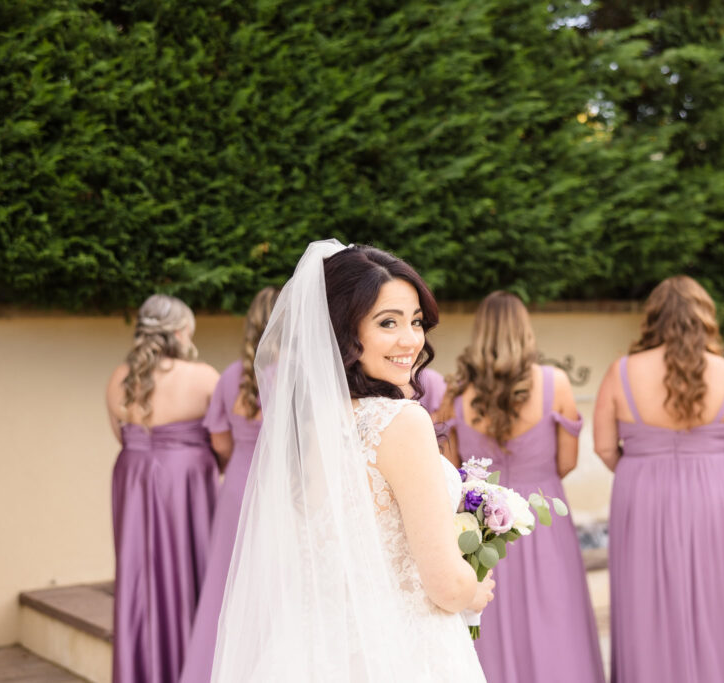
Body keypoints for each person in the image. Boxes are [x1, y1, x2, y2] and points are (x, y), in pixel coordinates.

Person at [211, 241, 493, 681]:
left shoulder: (306, 423)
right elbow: (444, 584)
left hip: (311, 648)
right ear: (344, 332)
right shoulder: (402, 423)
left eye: (416, 321)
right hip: (401, 651)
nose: (410, 340)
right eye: (388, 322)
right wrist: (473, 590)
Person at [593, 276, 724, 683]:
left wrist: (644, 464)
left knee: (648, 601)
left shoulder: (622, 371)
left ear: (653, 318)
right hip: (718, 492)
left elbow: (605, 447)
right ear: (705, 318)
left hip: (642, 493)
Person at [438, 291, 604, 683]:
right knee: (557, 620)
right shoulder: (556, 384)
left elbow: (450, 476)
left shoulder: (456, 395)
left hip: (483, 533)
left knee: (491, 622)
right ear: (524, 331)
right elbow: (566, 462)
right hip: (544, 522)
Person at [104, 294, 220, 683]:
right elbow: (224, 443)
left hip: (133, 477)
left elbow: (124, 438)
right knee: (190, 574)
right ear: (182, 331)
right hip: (185, 481)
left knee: (139, 575)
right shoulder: (204, 376)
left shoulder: (120, 377)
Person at [179, 286, 279, 683]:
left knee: (225, 584)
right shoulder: (301, 376)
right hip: (279, 491)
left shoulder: (230, 377)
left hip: (237, 485)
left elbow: (219, 440)